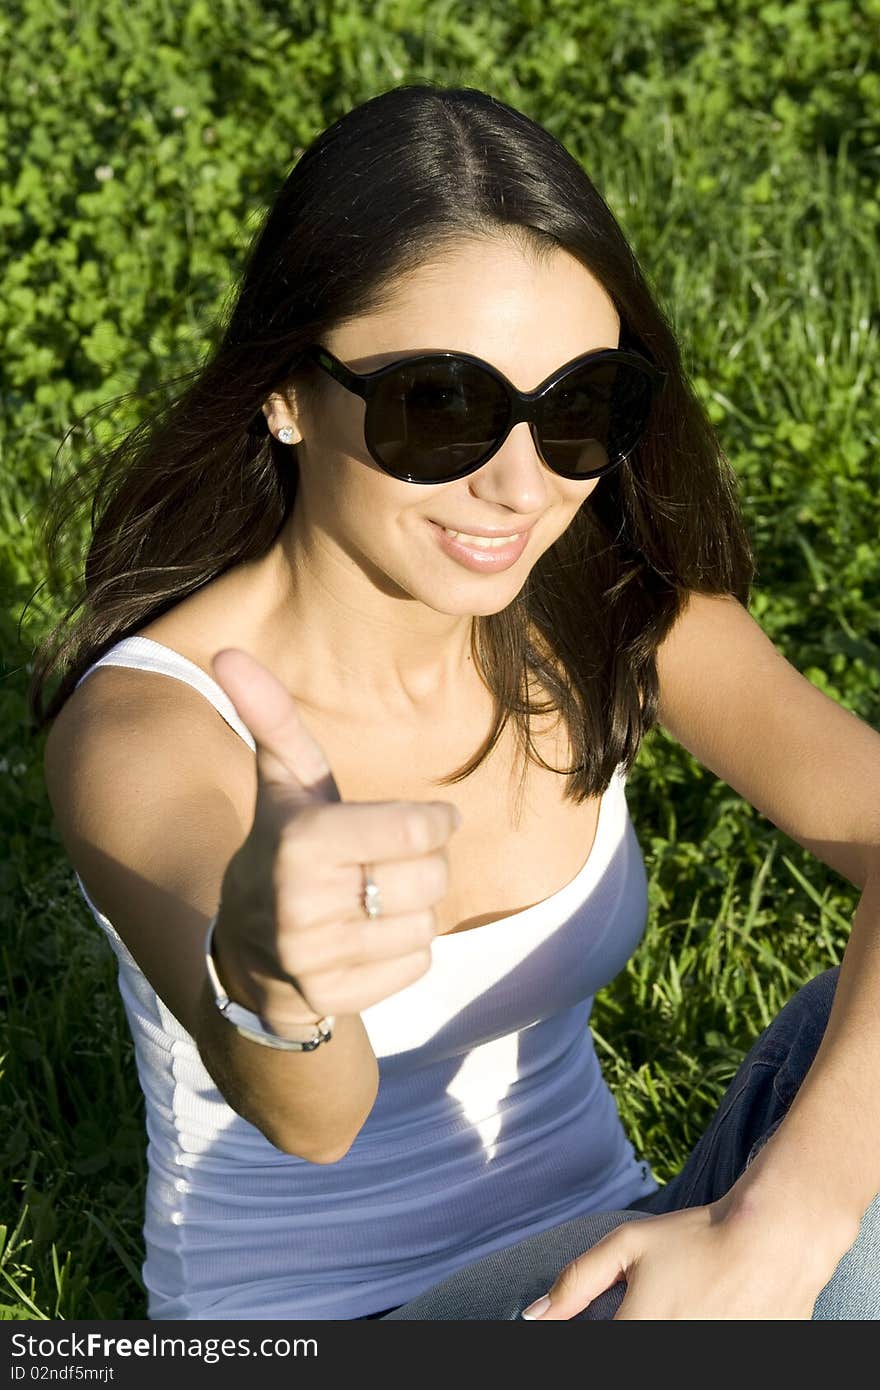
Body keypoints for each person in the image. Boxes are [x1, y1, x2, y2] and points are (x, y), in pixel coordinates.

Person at [34, 84, 879, 1321]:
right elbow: (311, 1122)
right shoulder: (151, 729)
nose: (517, 485)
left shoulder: (609, 612)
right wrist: (278, 985)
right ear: (285, 393)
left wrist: (781, 1218)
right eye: (441, 406)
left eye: (580, 409)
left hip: (628, 1249)